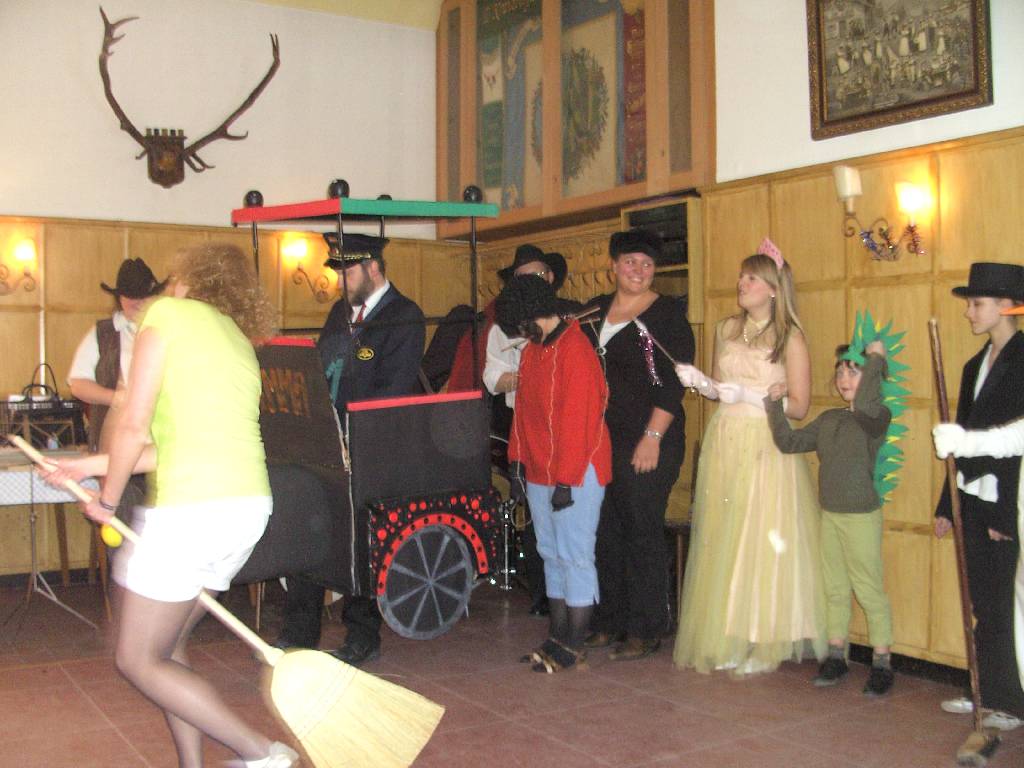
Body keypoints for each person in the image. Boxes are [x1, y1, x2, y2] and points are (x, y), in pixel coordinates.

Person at [44, 243, 295, 768]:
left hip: (193, 512)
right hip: (245, 509)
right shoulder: (237, 340)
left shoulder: (168, 315)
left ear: (187, 278)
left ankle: (263, 753)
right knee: (167, 649)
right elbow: (172, 446)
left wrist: (107, 499)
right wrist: (90, 467)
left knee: (136, 658)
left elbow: (134, 424)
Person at [673, 238, 825, 675]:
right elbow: (720, 389)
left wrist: (752, 396)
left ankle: (765, 640)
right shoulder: (724, 329)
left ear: (774, 289)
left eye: (752, 277)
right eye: (742, 276)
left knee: (760, 540)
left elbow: (799, 406)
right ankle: (733, 636)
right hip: (726, 438)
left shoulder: (790, 337)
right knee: (727, 537)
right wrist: (700, 382)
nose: (742, 283)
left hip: (766, 442)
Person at [277, 232, 425, 667]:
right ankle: (298, 633)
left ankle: (362, 635)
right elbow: (322, 368)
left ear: (373, 268)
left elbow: (394, 388)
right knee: (308, 531)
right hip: (325, 443)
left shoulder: (404, 316)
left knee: (363, 543)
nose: (339, 280)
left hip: (372, 446)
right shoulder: (339, 313)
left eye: (347, 271)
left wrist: (350, 428)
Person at [579, 228, 695, 661]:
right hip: (602, 439)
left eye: (647, 264)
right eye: (630, 262)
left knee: (641, 528)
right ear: (613, 266)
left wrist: (652, 437)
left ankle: (646, 628)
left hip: (650, 437)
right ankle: (609, 619)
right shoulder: (594, 311)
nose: (638, 270)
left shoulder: (667, 316)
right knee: (605, 529)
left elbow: (673, 385)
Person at [765, 338, 895, 695]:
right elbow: (789, 443)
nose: (844, 378)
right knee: (835, 588)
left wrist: (876, 359)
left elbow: (865, 403)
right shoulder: (829, 419)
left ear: (871, 377)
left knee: (869, 589)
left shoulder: (877, 417)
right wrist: (774, 405)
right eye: (840, 372)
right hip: (831, 516)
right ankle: (837, 655)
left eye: (854, 371)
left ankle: (882, 662)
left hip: (861, 517)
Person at [496, 275, 611, 672]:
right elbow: (523, 414)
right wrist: (516, 463)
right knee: (549, 553)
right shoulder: (533, 351)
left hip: (578, 470)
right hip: (542, 469)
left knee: (575, 555)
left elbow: (580, 422)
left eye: (522, 325)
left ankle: (574, 643)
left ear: (538, 314)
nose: (520, 333)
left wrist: (566, 481)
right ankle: (556, 635)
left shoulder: (576, 350)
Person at [931, 262, 1024, 729]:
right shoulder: (974, 366)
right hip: (971, 497)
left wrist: (1004, 517)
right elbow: (961, 439)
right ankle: (983, 688)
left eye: (977, 304)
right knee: (981, 602)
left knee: (1004, 604)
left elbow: (1014, 447)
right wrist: (946, 506)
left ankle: (1009, 702)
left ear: (1007, 307)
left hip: (1006, 501)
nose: (969, 312)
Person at [483, 244, 571, 617]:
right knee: (536, 513)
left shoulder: (571, 316)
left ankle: (575, 599)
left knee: (572, 515)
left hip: (566, 426)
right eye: (523, 277)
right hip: (527, 423)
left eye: (537, 274)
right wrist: (528, 375)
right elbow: (492, 377)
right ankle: (543, 594)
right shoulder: (503, 325)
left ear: (549, 277)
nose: (532, 281)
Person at [67, 258, 167, 520]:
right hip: (115, 441)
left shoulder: (166, 330)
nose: (136, 302)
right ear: (119, 297)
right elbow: (77, 384)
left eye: (143, 295)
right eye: (130, 296)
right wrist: (117, 398)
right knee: (119, 517)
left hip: (161, 445)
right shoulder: (102, 333)